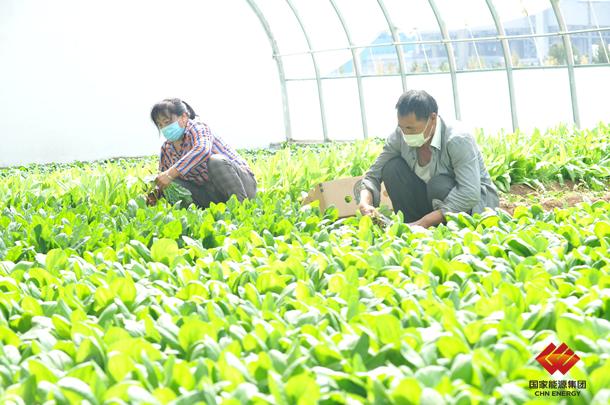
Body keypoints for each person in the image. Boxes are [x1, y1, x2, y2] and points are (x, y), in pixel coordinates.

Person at [354, 90, 499, 228]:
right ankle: (411, 226)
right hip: (432, 205)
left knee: (438, 184)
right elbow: (374, 173)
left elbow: (469, 192)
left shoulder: (457, 139)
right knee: (392, 168)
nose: (405, 134)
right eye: (402, 127)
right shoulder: (400, 136)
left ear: (433, 118)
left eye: (411, 128)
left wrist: (424, 222)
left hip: (471, 208)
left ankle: (437, 226)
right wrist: (365, 202)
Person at [151, 98, 256, 208]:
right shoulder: (166, 149)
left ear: (184, 117)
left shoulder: (198, 128)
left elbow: (202, 150)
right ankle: (206, 209)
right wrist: (153, 195)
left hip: (242, 185)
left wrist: (171, 173)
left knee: (216, 161)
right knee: (170, 183)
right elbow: (162, 180)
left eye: (167, 122)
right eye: (160, 125)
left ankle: (240, 207)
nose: (164, 128)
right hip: (211, 193)